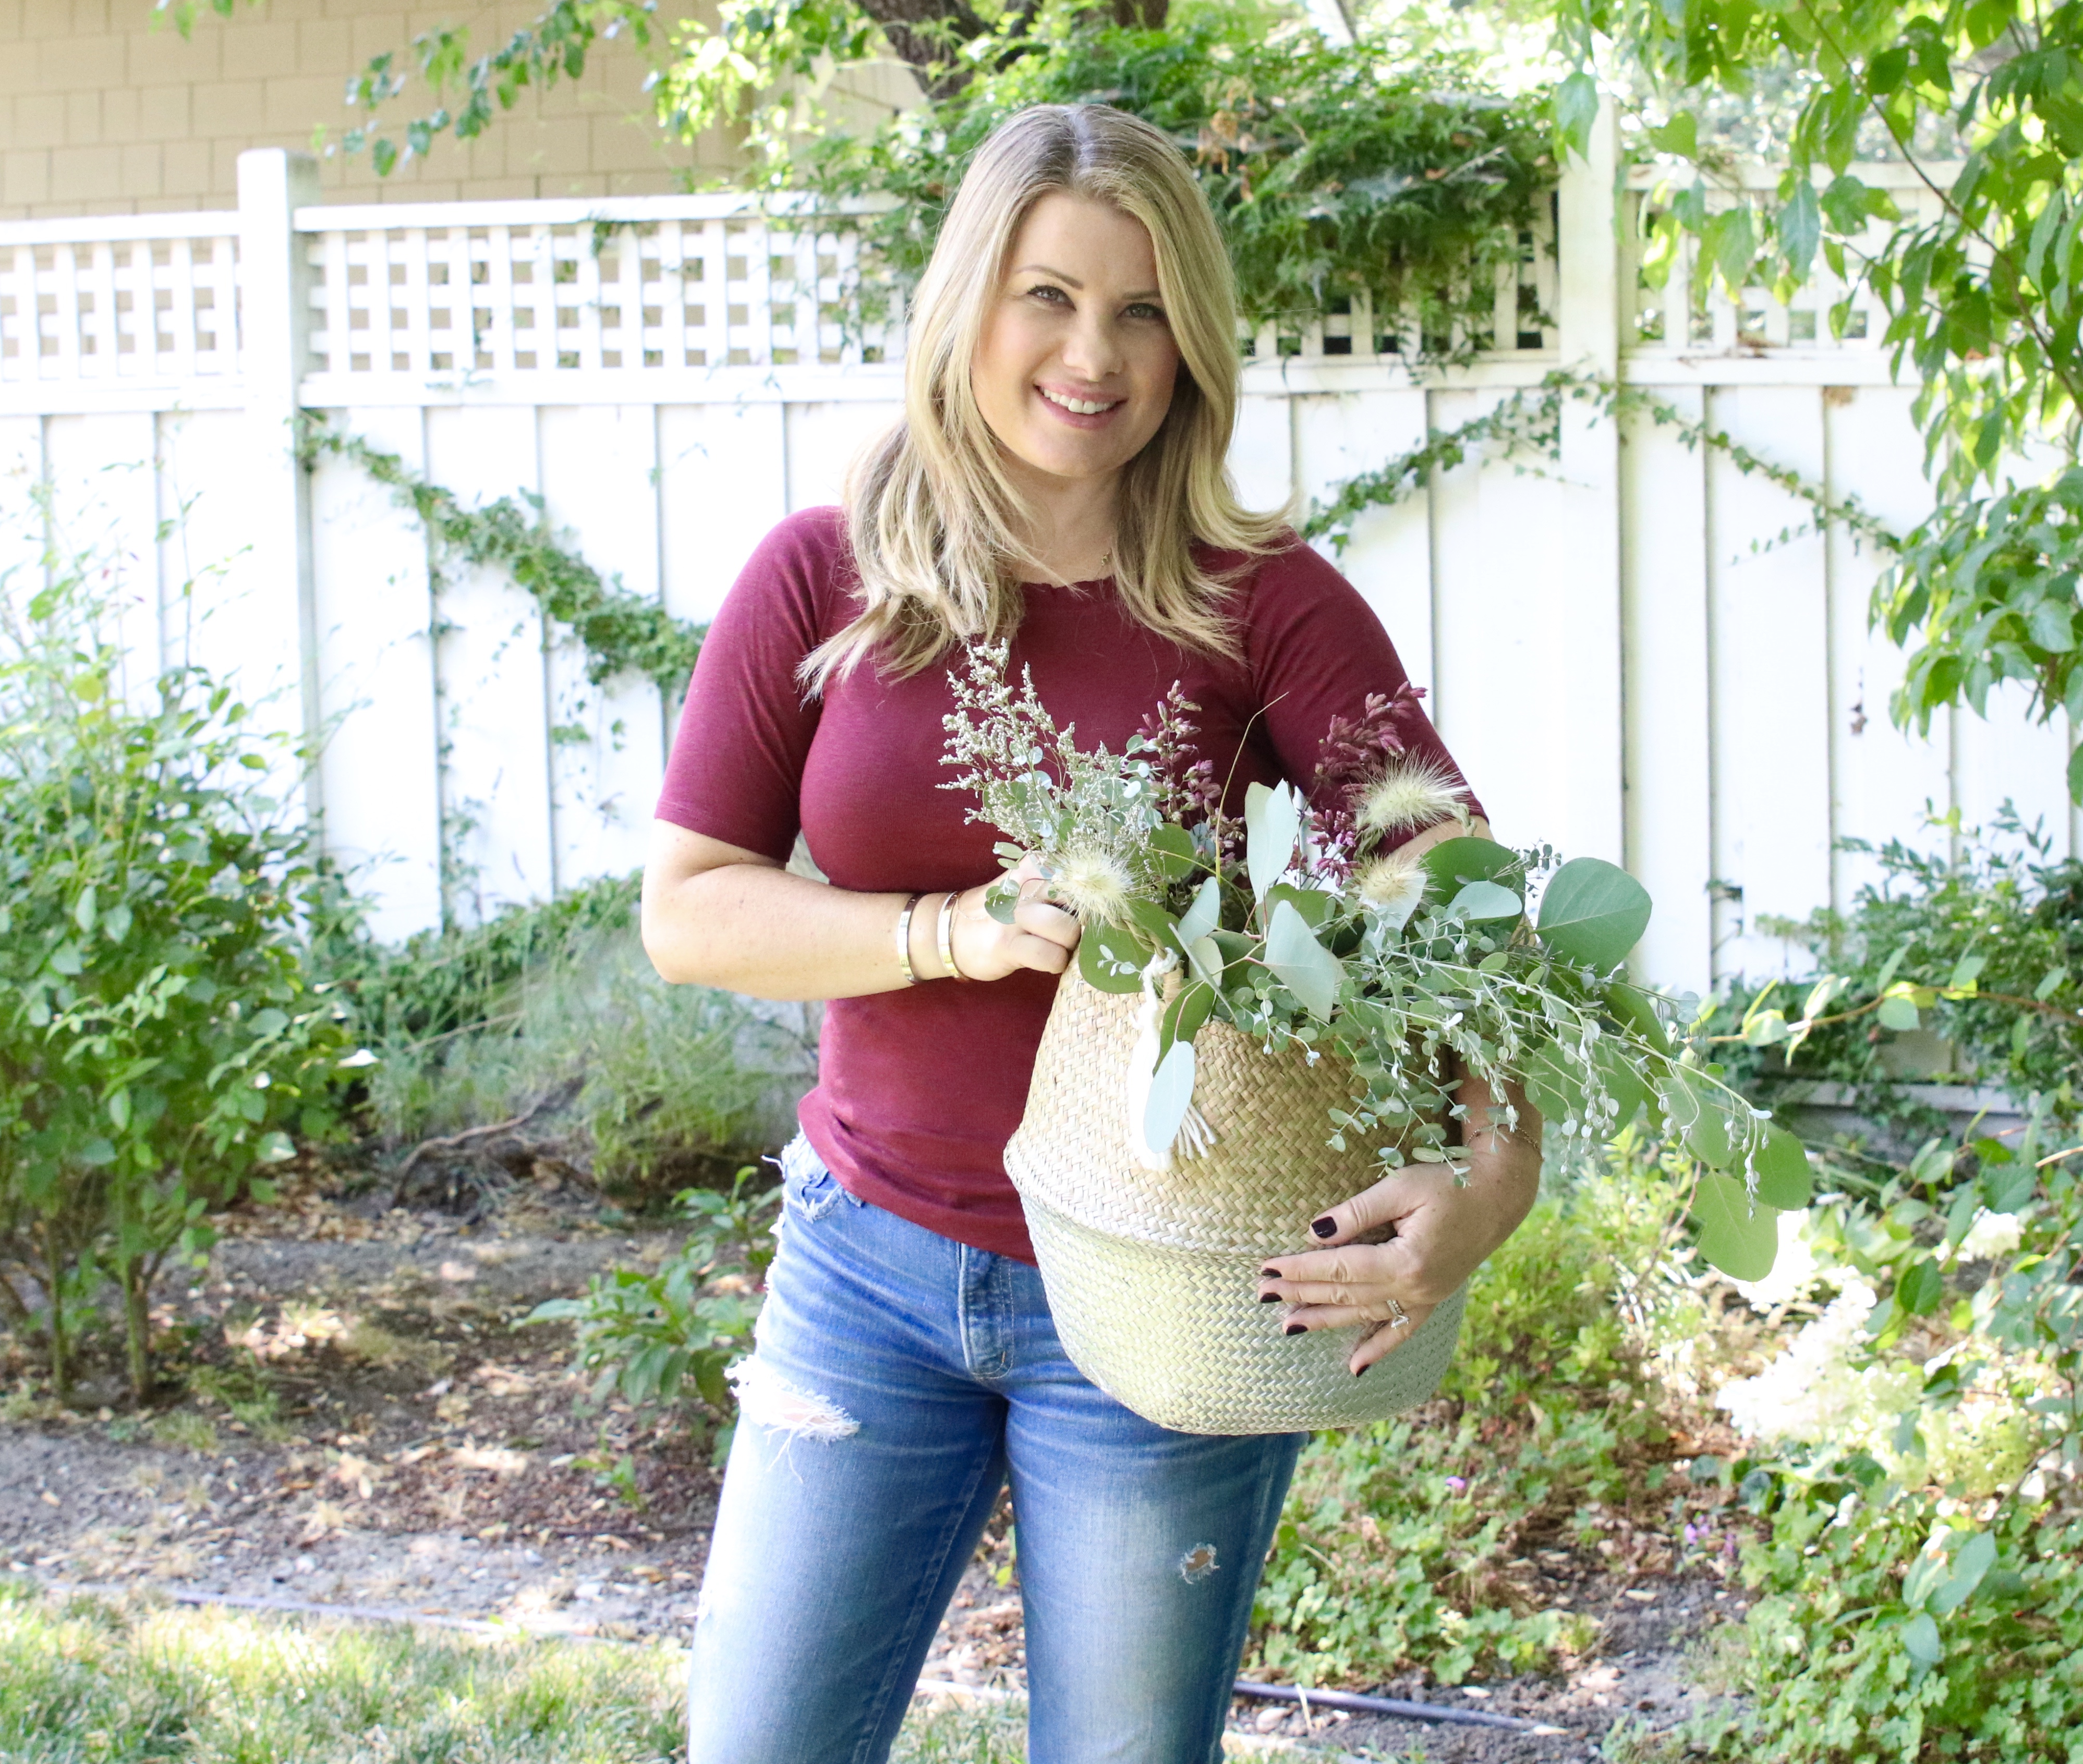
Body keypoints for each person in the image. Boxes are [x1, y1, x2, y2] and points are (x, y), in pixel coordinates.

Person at [643, 102, 1541, 1764]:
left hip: (1164, 1290)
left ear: (1192, 344)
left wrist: (1492, 1180)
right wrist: (949, 934)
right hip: (868, 1271)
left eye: (1143, 312)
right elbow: (691, 911)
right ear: (966, 302)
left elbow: (1457, 898)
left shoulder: (1259, 602)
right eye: (1047, 296)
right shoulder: (824, 581)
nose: (1093, 354)